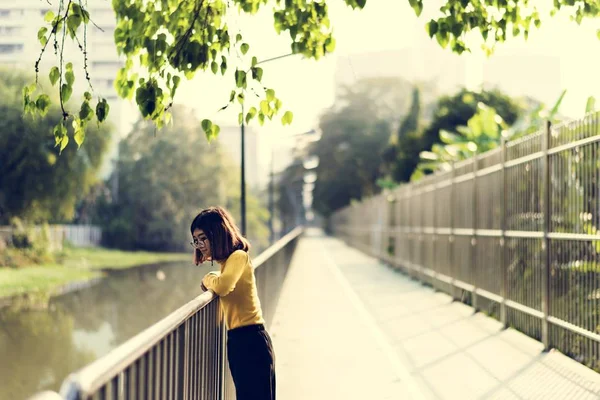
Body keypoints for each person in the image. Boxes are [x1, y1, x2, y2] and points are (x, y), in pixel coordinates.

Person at [190, 206, 276, 400]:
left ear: (218, 233)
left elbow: (223, 286)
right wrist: (215, 276)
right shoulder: (226, 264)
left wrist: (208, 279)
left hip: (252, 340)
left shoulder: (239, 256)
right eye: (195, 240)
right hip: (239, 342)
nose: (199, 244)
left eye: (203, 238)